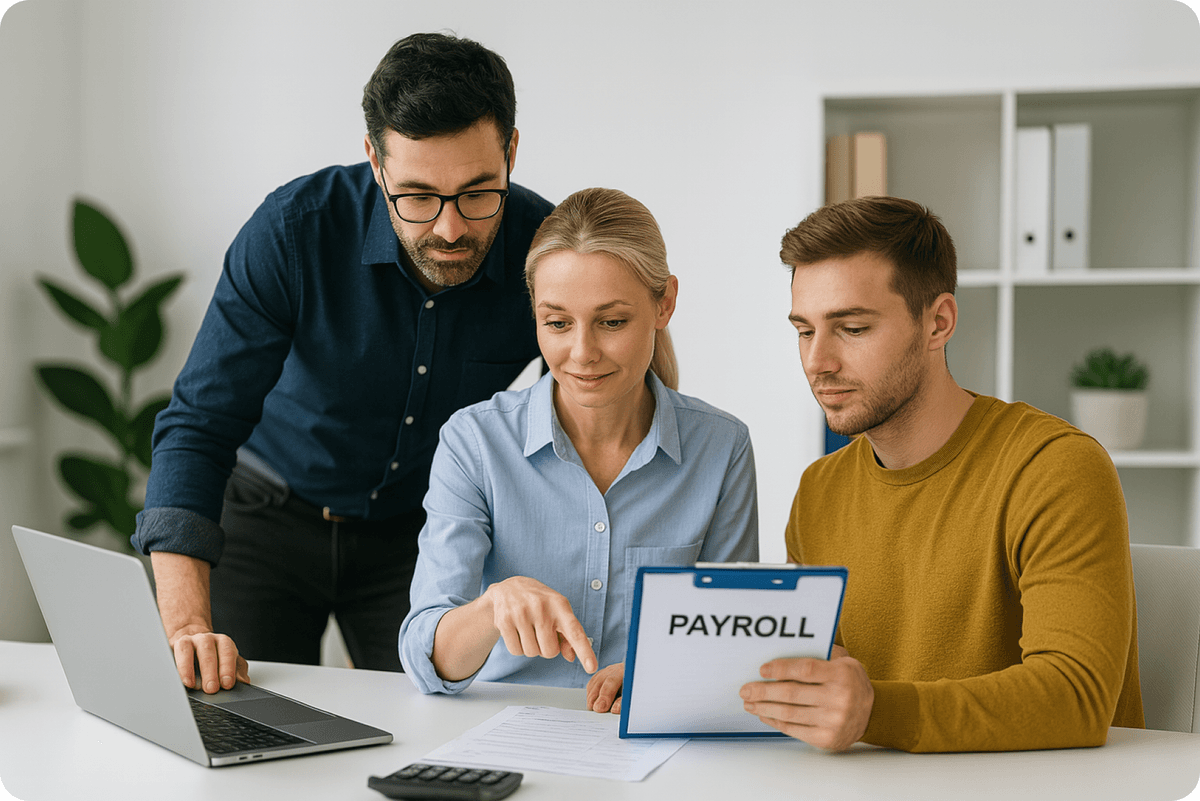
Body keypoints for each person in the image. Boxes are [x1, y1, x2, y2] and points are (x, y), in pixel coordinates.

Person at [132, 32, 555, 694]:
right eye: (417, 195)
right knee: (238, 719)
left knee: (436, 726)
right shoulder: (292, 232)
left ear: (511, 151)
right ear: (374, 159)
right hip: (267, 517)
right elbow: (199, 424)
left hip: (418, 536)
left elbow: (582, 424)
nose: (449, 229)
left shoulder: (544, 249)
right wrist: (185, 623)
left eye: (478, 192)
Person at [739, 196, 1144, 752]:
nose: (817, 361)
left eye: (852, 328)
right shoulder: (820, 490)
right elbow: (815, 681)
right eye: (805, 331)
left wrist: (876, 711)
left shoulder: (1054, 467)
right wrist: (669, 683)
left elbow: (1077, 695)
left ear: (938, 322)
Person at [399, 187, 759, 702]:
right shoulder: (474, 442)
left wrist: (652, 673)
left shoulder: (721, 448)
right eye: (558, 323)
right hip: (501, 735)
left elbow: (730, 641)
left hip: (645, 739)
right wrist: (492, 607)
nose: (582, 353)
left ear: (665, 303)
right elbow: (423, 659)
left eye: (612, 322)